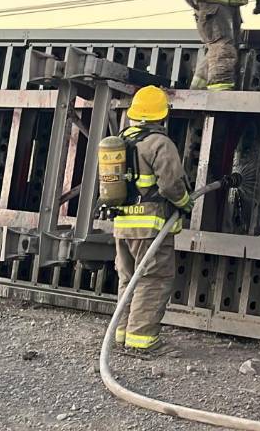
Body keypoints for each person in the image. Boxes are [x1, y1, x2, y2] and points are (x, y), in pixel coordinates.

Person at [112, 85, 193, 356]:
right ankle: (141, 340)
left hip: (122, 225)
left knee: (128, 279)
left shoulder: (122, 139)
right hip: (149, 227)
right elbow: (172, 185)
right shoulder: (160, 143)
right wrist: (185, 204)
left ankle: (122, 334)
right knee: (153, 279)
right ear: (162, 115)